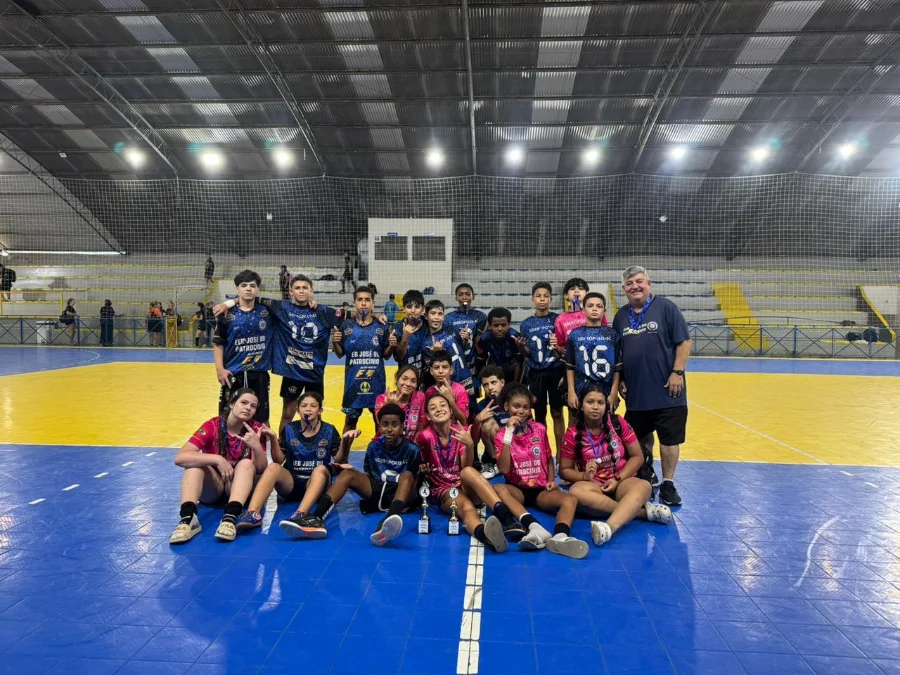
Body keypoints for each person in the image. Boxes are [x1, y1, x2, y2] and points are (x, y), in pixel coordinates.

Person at [214, 274, 344, 432]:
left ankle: (311, 443)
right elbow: (250, 298)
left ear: (312, 291)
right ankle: (281, 446)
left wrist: (377, 316)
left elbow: (349, 315)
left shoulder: (320, 311)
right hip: (288, 370)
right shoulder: (280, 309)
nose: (301, 291)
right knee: (230, 413)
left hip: (312, 371)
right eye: (297, 288)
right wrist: (229, 302)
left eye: (305, 288)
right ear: (290, 291)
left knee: (307, 412)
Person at [612, 265, 691, 507]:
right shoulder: (621, 315)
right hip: (636, 393)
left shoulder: (666, 307)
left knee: (669, 440)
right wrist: (622, 378)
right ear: (624, 289)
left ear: (649, 283)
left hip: (669, 391)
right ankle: (647, 473)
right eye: (629, 284)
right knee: (640, 439)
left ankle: (668, 483)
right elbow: (618, 353)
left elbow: (684, 341)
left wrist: (677, 372)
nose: (634, 286)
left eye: (639, 281)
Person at [559, 384, 672, 545]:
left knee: (645, 486)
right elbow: (564, 470)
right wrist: (584, 476)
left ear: (606, 406)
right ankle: (639, 512)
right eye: (590, 402)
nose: (595, 407)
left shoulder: (618, 423)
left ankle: (608, 528)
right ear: (581, 406)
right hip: (593, 486)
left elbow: (637, 457)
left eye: (600, 402)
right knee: (576, 491)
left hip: (622, 482)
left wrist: (618, 479)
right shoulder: (572, 433)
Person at [235, 391, 358, 533]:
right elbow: (279, 460)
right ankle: (253, 513)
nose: (308, 409)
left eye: (313, 406)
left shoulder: (329, 430)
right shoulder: (289, 429)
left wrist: (346, 442)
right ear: (298, 410)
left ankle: (300, 515)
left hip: (317, 483)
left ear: (320, 410)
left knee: (320, 470)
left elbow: (339, 460)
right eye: (304, 406)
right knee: (273, 467)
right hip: (291, 483)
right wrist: (274, 439)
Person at [299, 403, 421, 544]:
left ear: (402, 427)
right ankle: (316, 518)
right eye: (385, 424)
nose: (389, 429)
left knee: (407, 476)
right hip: (378, 490)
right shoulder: (374, 446)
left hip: (403, 496)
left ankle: (388, 521)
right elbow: (369, 473)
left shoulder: (412, 449)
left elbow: (415, 482)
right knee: (347, 474)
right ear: (379, 426)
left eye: (394, 425)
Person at [492, 383, 588, 558]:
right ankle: (534, 526)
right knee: (499, 489)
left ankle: (560, 536)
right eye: (516, 406)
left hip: (540, 491)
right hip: (517, 490)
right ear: (506, 407)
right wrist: (509, 434)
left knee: (570, 500)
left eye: (525, 407)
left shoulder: (540, 429)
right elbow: (504, 468)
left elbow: (548, 458)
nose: (521, 411)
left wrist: (551, 480)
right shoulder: (501, 436)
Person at [169, 388, 274, 544]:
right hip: (214, 488)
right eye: (243, 403)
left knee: (246, 464)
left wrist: (256, 447)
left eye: (253, 406)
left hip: (240, 488)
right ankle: (188, 519)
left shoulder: (256, 429)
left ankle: (230, 518)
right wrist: (217, 459)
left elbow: (260, 469)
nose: (248, 408)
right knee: (193, 466)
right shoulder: (213, 425)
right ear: (232, 404)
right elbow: (180, 458)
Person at [416, 394, 515, 553]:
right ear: (428, 416)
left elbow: (465, 467)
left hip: (465, 483)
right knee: (467, 508)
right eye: (433, 408)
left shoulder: (459, 431)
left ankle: (507, 519)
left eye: (443, 405)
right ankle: (486, 536)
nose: (439, 409)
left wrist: (469, 445)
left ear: (450, 410)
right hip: (445, 490)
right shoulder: (425, 437)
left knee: (469, 471)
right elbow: (420, 466)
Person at [214, 270, 273, 424]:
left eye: (252, 286)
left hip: (259, 373)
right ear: (237, 289)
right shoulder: (225, 314)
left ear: (258, 289)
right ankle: (226, 448)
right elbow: (219, 343)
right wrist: (219, 369)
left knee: (262, 419)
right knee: (227, 417)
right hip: (233, 373)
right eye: (244, 285)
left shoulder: (267, 311)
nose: (248, 289)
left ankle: (264, 448)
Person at [333, 285, 391, 434]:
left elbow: (386, 355)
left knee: (379, 421)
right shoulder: (346, 325)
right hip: (353, 384)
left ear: (373, 303)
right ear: (354, 303)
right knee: (350, 422)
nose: (364, 303)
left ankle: (379, 454)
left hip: (376, 383)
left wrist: (392, 345)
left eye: (367, 300)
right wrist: (334, 342)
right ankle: (342, 456)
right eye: (360, 300)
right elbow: (340, 354)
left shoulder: (382, 326)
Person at [518, 282, 565, 452]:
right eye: (539, 296)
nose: (542, 299)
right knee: (539, 415)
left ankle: (561, 454)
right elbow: (527, 353)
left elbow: (564, 346)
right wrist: (522, 348)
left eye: (545, 296)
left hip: (555, 371)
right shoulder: (525, 324)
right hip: (536, 373)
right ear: (532, 299)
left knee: (557, 412)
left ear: (551, 299)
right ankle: (543, 453)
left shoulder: (558, 319)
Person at [565, 292, 620, 418]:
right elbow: (570, 366)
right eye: (590, 306)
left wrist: (614, 392)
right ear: (583, 310)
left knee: (607, 422)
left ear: (604, 310)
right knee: (577, 422)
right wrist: (571, 391)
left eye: (599, 306)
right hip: (580, 387)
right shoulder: (574, 334)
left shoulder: (612, 335)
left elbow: (617, 367)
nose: (595, 309)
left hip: (605, 387)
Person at [420, 299, 473, 395]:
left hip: (465, 377)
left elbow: (461, 349)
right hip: (448, 384)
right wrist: (437, 354)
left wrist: (465, 340)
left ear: (444, 317)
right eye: (433, 313)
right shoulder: (426, 342)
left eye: (440, 314)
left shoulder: (451, 329)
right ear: (426, 316)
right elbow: (432, 369)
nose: (436, 317)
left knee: (470, 407)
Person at [444, 283, 488, 397]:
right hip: (456, 364)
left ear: (473, 297)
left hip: (474, 366)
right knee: (455, 397)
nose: (464, 297)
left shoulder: (481, 317)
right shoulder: (449, 318)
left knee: (472, 399)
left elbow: (481, 341)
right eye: (461, 294)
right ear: (456, 297)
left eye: (468, 294)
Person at [469, 365, 509, 479]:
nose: (490, 388)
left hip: (515, 444)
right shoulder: (481, 406)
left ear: (502, 382)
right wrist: (477, 420)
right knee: (487, 424)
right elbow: (474, 441)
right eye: (486, 385)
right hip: (497, 450)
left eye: (493, 382)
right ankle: (496, 463)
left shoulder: (514, 398)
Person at [375, 365, 426, 441]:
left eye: (413, 381)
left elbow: (421, 427)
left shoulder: (420, 397)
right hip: (387, 444)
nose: (408, 384)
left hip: (410, 446)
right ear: (396, 380)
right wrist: (391, 406)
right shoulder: (382, 398)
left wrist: (414, 446)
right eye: (404, 379)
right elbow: (380, 423)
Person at [476, 307, 522, 385]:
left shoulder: (514, 337)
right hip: (494, 372)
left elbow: (519, 363)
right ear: (490, 326)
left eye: (503, 325)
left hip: (513, 370)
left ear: (509, 324)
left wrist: (516, 384)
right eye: (496, 325)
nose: (500, 328)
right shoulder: (484, 339)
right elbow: (481, 361)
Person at [423, 349, 469, 425]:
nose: (440, 371)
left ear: (451, 370)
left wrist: (451, 400)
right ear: (431, 371)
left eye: (444, 367)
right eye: (436, 367)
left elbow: (463, 422)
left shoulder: (460, 390)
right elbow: (428, 419)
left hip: (456, 431)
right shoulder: (429, 392)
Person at [391, 289, 428, 373]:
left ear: (423, 309)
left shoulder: (427, 324)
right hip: (406, 378)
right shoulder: (398, 327)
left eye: (417, 307)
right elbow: (398, 357)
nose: (413, 310)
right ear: (403, 308)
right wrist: (405, 338)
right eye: (409, 307)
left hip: (427, 378)